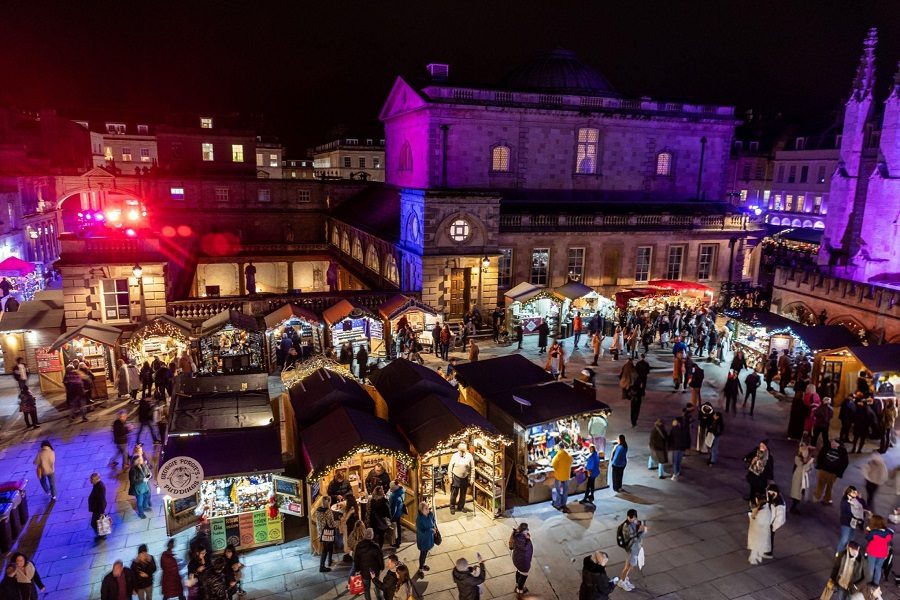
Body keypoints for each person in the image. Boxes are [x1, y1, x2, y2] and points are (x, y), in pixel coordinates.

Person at [617, 509, 645, 591]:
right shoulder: (626, 526)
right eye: (630, 518)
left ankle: (624, 579)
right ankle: (622, 581)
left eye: (633, 518)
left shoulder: (635, 522)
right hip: (631, 549)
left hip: (636, 548)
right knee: (628, 567)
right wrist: (641, 532)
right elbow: (632, 538)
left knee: (630, 566)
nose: (631, 519)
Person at [815, 439, 850, 505]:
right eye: (831, 443)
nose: (832, 444)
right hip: (823, 470)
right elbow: (820, 456)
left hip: (832, 473)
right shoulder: (826, 447)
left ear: (839, 445)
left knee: (829, 486)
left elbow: (844, 463)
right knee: (820, 484)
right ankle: (817, 496)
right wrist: (819, 466)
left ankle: (826, 499)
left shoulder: (842, 452)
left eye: (834, 443)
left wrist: (838, 473)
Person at [353, 528, 384, 600]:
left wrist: (357, 569)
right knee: (377, 586)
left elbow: (356, 560)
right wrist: (382, 567)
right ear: (372, 536)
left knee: (366, 589)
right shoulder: (375, 546)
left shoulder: (358, 546)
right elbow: (380, 559)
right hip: (374, 571)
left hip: (364, 571)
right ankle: (379, 598)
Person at [864, 515, 893, 586]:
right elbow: (891, 534)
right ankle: (876, 583)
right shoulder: (888, 532)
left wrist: (868, 531)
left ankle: (868, 582)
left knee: (871, 568)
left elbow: (868, 538)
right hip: (883, 553)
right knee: (878, 567)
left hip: (873, 552)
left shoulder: (873, 532)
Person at [837, 486, 866, 553]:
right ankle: (839, 552)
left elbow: (863, 506)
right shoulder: (845, 501)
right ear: (849, 493)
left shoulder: (857, 499)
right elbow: (846, 512)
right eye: (853, 492)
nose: (856, 493)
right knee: (844, 539)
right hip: (846, 522)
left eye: (856, 491)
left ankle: (846, 553)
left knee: (851, 539)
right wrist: (856, 517)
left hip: (854, 523)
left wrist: (861, 499)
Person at [448, 442, 474, 514]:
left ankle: (461, 507)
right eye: (461, 451)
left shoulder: (469, 456)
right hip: (456, 477)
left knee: (463, 494)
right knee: (454, 494)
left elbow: (472, 468)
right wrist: (450, 478)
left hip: (465, 477)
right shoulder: (454, 456)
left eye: (463, 451)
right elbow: (450, 467)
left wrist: (472, 478)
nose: (462, 453)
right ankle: (452, 507)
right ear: (458, 450)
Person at [747, 494, 772, 565]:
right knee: (759, 545)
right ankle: (758, 556)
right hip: (763, 531)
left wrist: (751, 515)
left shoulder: (762, 511)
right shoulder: (766, 508)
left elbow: (757, 521)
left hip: (758, 531)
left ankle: (753, 558)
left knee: (756, 545)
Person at [789, 444, 814, 513]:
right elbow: (803, 467)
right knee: (797, 493)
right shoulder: (798, 458)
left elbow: (810, 469)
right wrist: (809, 463)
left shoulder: (807, 459)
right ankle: (793, 508)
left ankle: (794, 506)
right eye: (804, 451)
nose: (805, 453)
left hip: (803, 478)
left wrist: (810, 464)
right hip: (798, 477)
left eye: (806, 452)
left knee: (800, 493)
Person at [315, 495, 337, 572]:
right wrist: (337, 524)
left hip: (321, 531)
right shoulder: (328, 511)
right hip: (328, 531)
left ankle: (330, 561)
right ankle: (322, 567)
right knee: (326, 549)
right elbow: (331, 524)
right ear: (329, 502)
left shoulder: (318, 510)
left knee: (329, 546)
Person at [510, 523, 533, 594]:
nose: (528, 531)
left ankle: (517, 584)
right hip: (522, 561)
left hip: (517, 559)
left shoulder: (516, 535)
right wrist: (528, 539)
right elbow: (526, 548)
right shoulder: (522, 539)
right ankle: (519, 590)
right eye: (527, 530)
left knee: (519, 571)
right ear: (523, 531)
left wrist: (526, 537)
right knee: (524, 574)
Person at [415, 501, 436, 577]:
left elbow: (433, 521)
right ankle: (420, 568)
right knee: (423, 554)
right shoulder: (419, 519)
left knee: (426, 552)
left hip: (429, 538)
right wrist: (431, 530)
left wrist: (434, 527)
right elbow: (421, 531)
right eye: (426, 508)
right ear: (421, 510)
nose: (428, 510)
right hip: (423, 539)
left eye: (428, 508)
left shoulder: (430, 514)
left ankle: (423, 564)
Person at [550, 441, 572, 512]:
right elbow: (571, 461)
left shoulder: (558, 455)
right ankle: (564, 504)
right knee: (565, 491)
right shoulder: (568, 455)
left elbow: (553, 464)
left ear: (559, 447)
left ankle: (558, 504)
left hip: (559, 476)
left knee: (558, 490)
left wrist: (557, 469)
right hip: (566, 476)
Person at [766, 484, 786, 558]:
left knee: (770, 537)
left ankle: (769, 552)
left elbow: (779, 519)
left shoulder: (779, 504)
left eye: (772, 493)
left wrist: (773, 528)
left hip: (772, 524)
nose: (770, 495)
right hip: (769, 521)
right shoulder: (773, 498)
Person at [129, 454, 151, 519]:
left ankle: (145, 507)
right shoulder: (132, 470)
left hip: (144, 485)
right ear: (136, 461)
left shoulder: (142, 465)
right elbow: (133, 481)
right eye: (140, 459)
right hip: (138, 488)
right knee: (140, 501)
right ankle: (141, 513)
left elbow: (146, 473)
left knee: (147, 495)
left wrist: (149, 475)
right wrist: (142, 479)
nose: (142, 460)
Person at [88, 472, 108, 537]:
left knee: (94, 523)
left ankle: (102, 535)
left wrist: (102, 512)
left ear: (97, 479)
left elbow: (101, 500)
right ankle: (101, 534)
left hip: (98, 509)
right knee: (95, 522)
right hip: (96, 508)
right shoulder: (96, 485)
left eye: (92, 480)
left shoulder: (100, 487)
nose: (90, 481)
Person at [387, 481, 405, 548]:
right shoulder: (402, 491)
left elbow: (392, 508)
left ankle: (395, 543)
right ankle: (399, 541)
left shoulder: (393, 496)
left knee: (394, 529)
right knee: (398, 527)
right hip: (399, 512)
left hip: (395, 515)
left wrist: (391, 517)